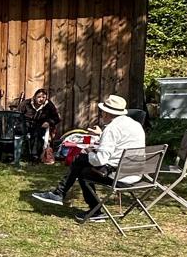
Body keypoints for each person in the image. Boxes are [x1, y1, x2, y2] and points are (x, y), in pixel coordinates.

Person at [32, 94, 146, 222]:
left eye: (102, 112)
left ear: (107, 113)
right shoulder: (135, 125)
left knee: (81, 163)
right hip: (136, 173)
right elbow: (121, 144)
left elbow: (100, 160)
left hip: (119, 176)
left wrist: (90, 152)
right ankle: (63, 195)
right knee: (83, 165)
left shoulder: (112, 129)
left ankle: (65, 196)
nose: (101, 114)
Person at [22, 89, 61, 162]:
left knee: (37, 133)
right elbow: (18, 114)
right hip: (26, 124)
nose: (41, 99)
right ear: (34, 97)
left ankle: (35, 155)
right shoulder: (26, 103)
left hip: (41, 125)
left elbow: (56, 118)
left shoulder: (48, 105)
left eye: (43, 97)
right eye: (39, 97)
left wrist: (49, 122)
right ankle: (9, 154)